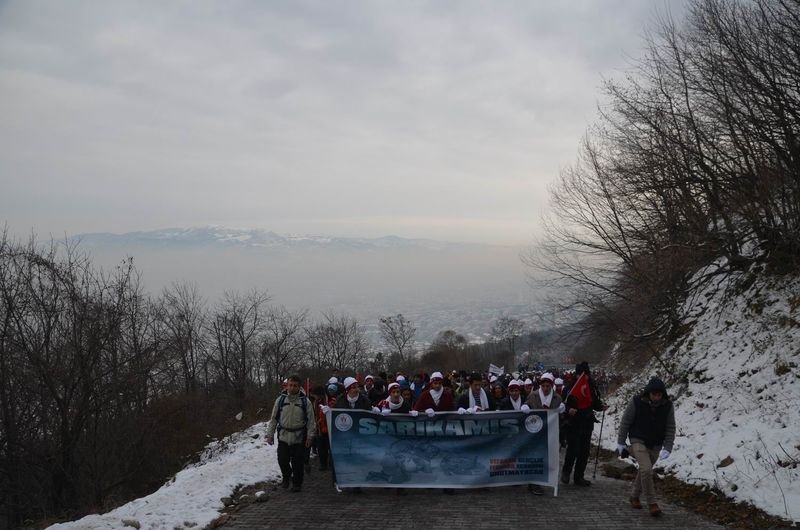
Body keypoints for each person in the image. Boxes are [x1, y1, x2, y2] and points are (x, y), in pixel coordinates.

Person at [616, 377, 676, 517]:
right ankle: (652, 503)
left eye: (659, 395)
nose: (656, 397)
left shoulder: (668, 406)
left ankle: (634, 496)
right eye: (654, 394)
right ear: (648, 393)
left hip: (656, 444)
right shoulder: (636, 402)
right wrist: (621, 442)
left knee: (644, 471)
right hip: (638, 439)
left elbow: (670, 427)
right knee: (647, 470)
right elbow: (626, 422)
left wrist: (668, 447)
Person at [266, 374, 316, 492]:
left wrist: (310, 436)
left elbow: (311, 421)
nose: (292, 388)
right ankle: (286, 477)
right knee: (282, 460)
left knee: (297, 462)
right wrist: (270, 434)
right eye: (290, 385)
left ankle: (297, 483)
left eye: (295, 386)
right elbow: (274, 418)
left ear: (299, 387)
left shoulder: (305, 402)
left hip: (299, 437)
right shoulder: (281, 400)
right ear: (287, 386)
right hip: (283, 435)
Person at [561, 362, 606, 487]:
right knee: (573, 449)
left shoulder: (592, 387)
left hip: (587, 422)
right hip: (573, 423)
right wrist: (568, 410)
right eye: (580, 374)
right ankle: (566, 471)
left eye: (585, 374)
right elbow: (562, 405)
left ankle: (579, 476)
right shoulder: (569, 388)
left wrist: (600, 407)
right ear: (576, 375)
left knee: (584, 452)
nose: (583, 377)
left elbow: (595, 403)